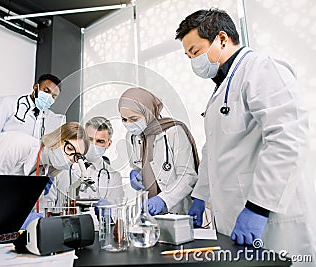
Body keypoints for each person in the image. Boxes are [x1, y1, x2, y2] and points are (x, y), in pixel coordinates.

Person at [175, 8, 316, 262]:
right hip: (233, 221)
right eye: (188, 56)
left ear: (221, 38)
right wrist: (199, 196)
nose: (192, 62)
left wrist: (258, 208)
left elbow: (288, 138)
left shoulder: (262, 69)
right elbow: (213, 153)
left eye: (195, 52)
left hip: (271, 222)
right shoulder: (222, 87)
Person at [118, 87, 199, 216]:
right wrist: (135, 173)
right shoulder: (132, 137)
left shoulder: (175, 132)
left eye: (134, 119)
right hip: (147, 208)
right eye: (124, 119)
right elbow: (139, 166)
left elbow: (188, 176)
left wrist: (164, 199)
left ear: (149, 112)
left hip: (176, 209)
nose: (128, 124)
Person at [50, 116, 124, 207]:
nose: (93, 145)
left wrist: (109, 209)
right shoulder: (62, 166)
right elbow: (46, 204)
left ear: (108, 144)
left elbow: (117, 213)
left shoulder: (114, 177)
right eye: (89, 139)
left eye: (100, 141)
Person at [0, 74, 66, 141]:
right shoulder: (7, 103)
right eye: (46, 91)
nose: (48, 97)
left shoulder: (50, 118)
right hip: (0, 163)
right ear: (35, 87)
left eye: (53, 96)